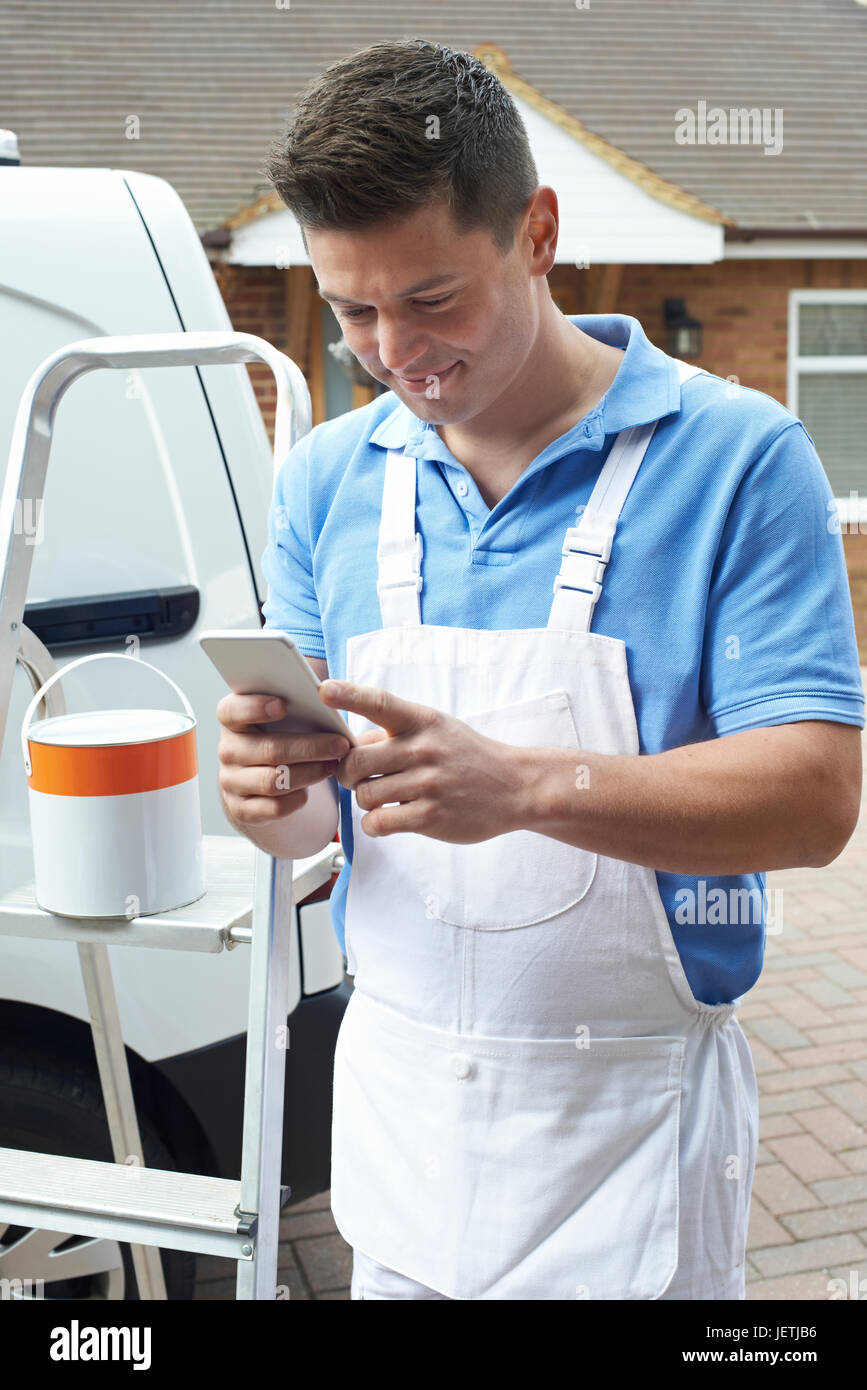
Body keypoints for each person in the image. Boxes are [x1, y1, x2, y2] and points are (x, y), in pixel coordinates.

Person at [216, 38, 864, 1300]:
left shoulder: (738, 460)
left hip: (635, 1148)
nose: (397, 353)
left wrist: (523, 788)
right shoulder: (325, 480)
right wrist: (262, 793)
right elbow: (312, 820)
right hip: (402, 1133)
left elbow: (818, 799)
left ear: (539, 232)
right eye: (354, 309)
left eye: (433, 297)